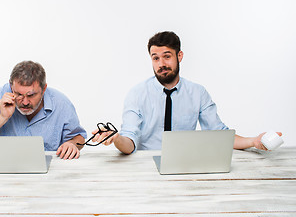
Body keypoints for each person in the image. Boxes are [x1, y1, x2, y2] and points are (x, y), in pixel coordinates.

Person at [91, 31, 282, 154]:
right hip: (144, 165)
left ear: (179, 56)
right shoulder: (137, 94)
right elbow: (129, 141)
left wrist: (254, 141)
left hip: (183, 165)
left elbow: (219, 133)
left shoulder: (198, 93)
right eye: (155, 58)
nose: (161, 64)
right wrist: (116, 138)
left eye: (167, 56)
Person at [0, 61, 86, 159]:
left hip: (50, 173)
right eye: (19, 94)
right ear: (11, 86)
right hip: (8, 168)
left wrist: (71, 144)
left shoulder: (61, 103)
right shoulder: (1, 95)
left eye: (31, 95)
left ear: (44, 89)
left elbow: (79, 137)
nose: (25, 102)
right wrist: (2, 117)